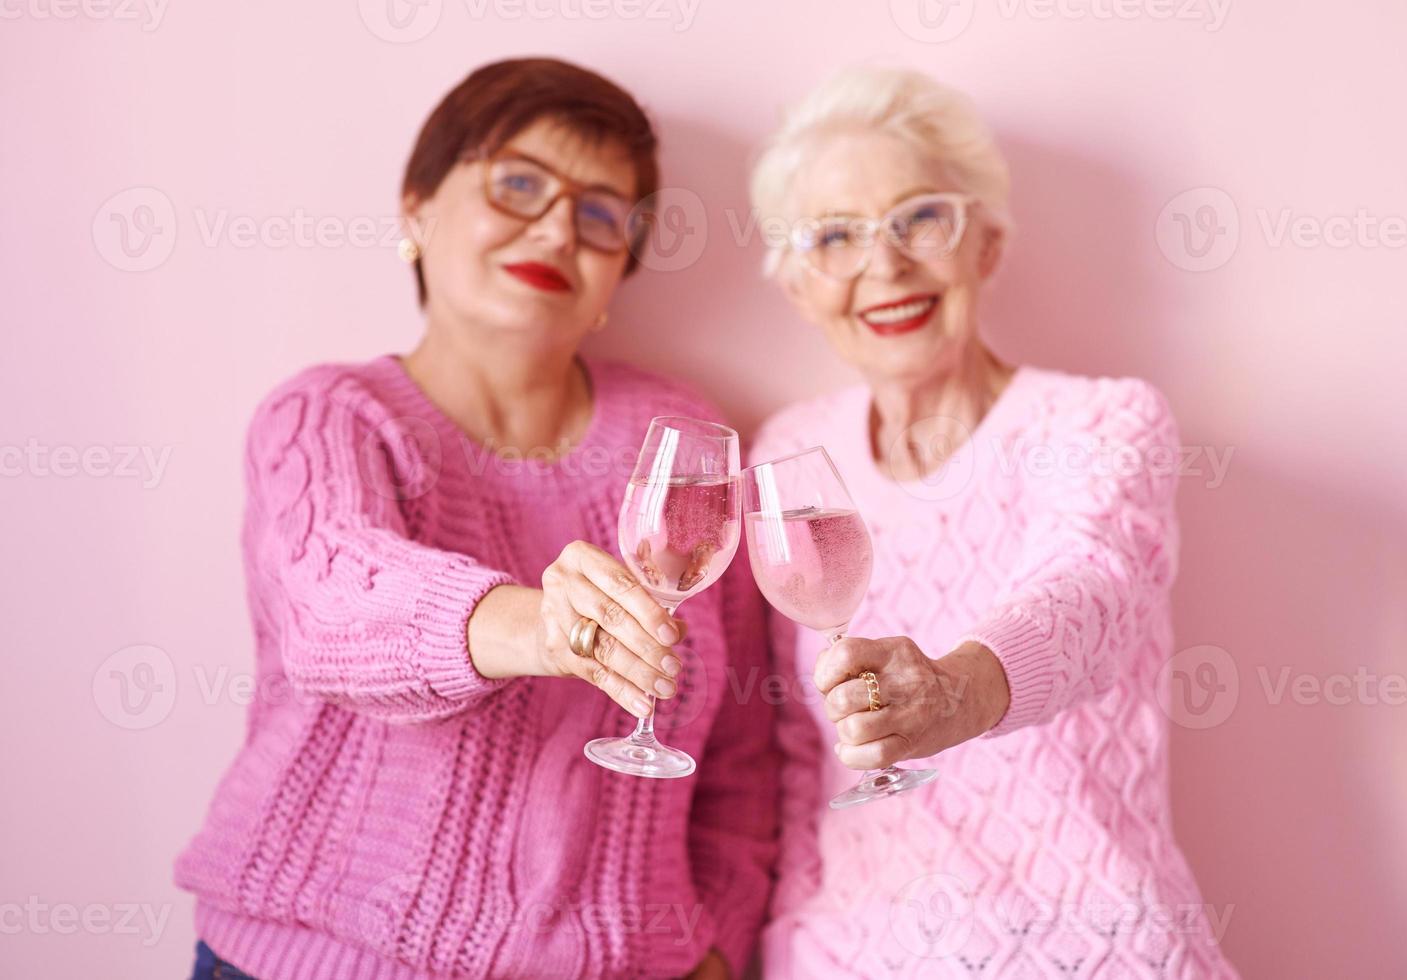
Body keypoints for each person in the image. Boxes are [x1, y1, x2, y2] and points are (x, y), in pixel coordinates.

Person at [175, 58, 776, 980]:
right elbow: (333, 603)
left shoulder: (680, 438)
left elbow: (739, 749)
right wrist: (544, 625)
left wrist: (719, 946)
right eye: (518, 183)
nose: (555, 225)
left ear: (619, 271)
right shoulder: (330, 414)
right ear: (417, 208)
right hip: (316, 961)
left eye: (601, 211)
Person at [748, 66, 1239, 977]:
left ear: (986, 244)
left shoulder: (1099, 423)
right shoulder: (786, 451)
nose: (884, 265)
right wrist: (789, 951)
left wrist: (955, 692)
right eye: (835, 236)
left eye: (920, 218)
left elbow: (1092, 589)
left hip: (1098, 953)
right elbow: (794, 757)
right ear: (797, 285)